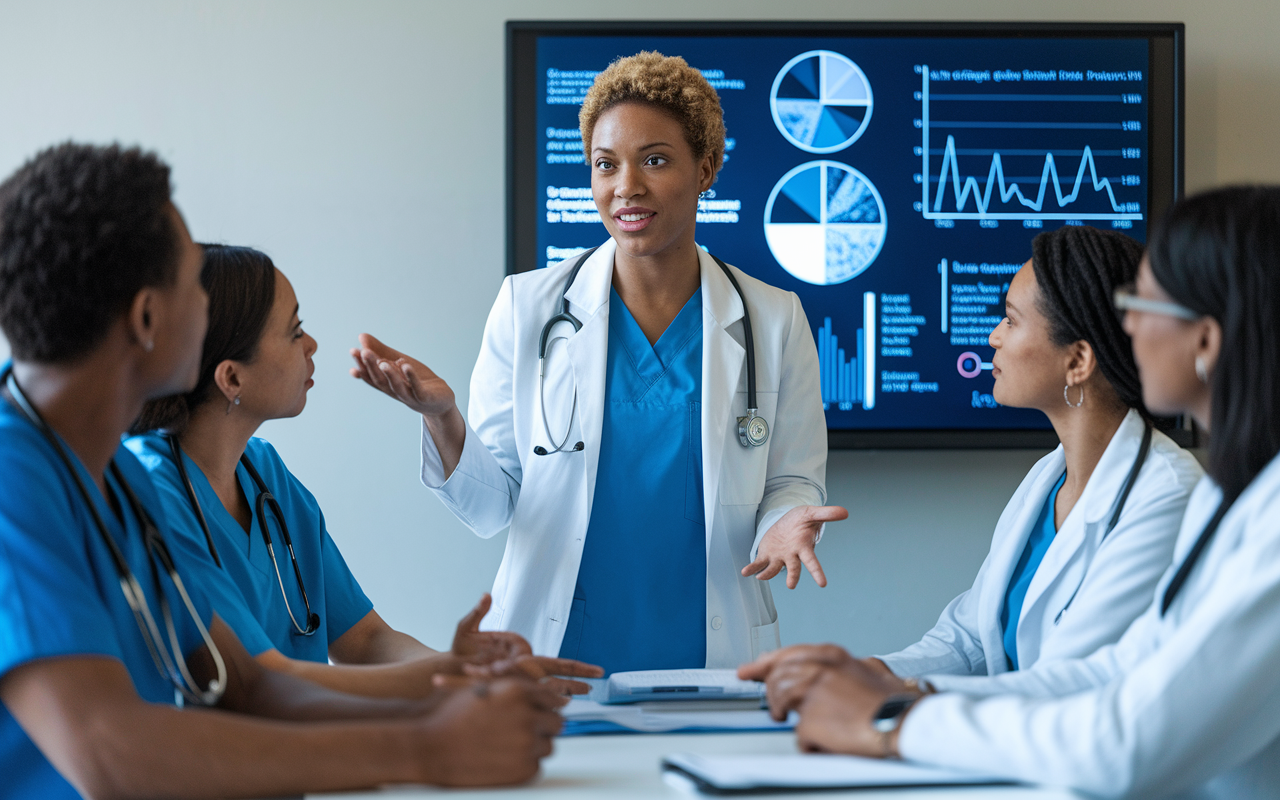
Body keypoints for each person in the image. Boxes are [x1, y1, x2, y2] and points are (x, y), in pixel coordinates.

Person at [0, 142, 564, 799]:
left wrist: (448, 699)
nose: (207, 307)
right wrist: (422, 747)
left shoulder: (112, 478)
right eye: (193, 284)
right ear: (148, 317)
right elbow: (108, 751)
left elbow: (248, 683)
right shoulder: (16, 480)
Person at [742, 186, 1280, 799]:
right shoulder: (1223, 498)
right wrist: (880, 683)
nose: (1127, 325)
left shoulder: (1194, 500)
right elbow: (1114, 669)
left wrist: (895, 718)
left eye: (1144, 303)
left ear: (1206, 340)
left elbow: (1122, 732)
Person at [351, 51, 845, 675]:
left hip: (710, 652)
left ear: (707, 168)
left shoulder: (774, 318)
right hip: (554, 654)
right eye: (605, 165)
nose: (626, 187)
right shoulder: (526, 307)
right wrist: (442, 418)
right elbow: (493, 506)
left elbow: (793, 480)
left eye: (655, 160)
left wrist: (783, 524)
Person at [127, 245, 601, 698]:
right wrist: (456, 677)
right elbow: (256, 681)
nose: (311, 344)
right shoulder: (148, 492)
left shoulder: (264, 473)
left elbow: (365, 641)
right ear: (232, 377)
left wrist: (474, 669)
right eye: (295, 332)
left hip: (308, 753)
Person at [873, 225, 1201, 679]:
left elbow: (1067, 684)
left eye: (1010, 319)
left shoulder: (1167, 494)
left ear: (1078, 361)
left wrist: (899, 706)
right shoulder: (1047, 479)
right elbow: (969, 640)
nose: (993, 337)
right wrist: (864, 673)